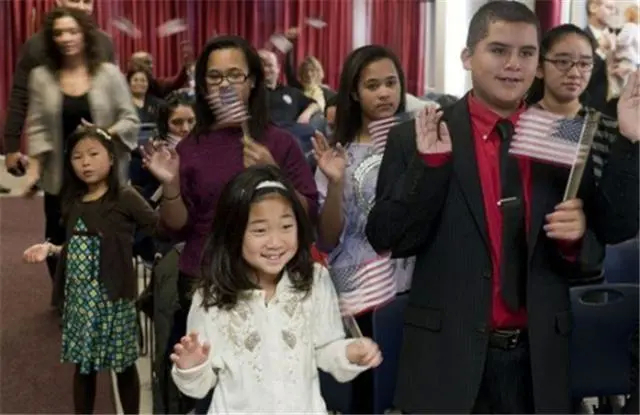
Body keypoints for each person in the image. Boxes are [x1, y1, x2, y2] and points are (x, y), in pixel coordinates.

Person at [366, 1, 639, 413]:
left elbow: (611, 234)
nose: (514, 64)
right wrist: (431, 167)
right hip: (447, 359)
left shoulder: (560, 135)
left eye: (526, 53)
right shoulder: (420, 135)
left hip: (539, 361)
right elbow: (387, 237)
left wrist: (577, 236)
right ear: (467, 56)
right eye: (498, 50)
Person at [141, 35, 317, 414]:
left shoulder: (280, 142)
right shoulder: (191, 146)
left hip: (269, 287)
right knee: (204, 392)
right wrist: (170, 184)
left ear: (252, 81)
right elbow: (177, 227)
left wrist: (272, 171)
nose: (225, 85)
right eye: (214, 77)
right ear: (203, 87)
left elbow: (308, 216)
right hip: (204, 282)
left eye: (235, 75)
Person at [169, 165, 382, 413]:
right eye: (260, 230)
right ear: (234, 233)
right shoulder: (212, 297)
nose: (275, 242)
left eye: (286, 226)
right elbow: (200, 386)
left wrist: (349, 352)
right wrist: (191, 367)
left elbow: (326, 348)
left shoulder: (314, 280)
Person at [22, 127, 159, 414]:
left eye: (93, 154)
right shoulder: (72, 200)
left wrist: (132, 247)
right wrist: (52, 249)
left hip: (114, 298)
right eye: (77, 157)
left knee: (123, 366)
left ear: (111, 158)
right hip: (80, 301)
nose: (85, 162)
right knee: (83, 368)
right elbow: (78, 245)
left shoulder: (125, 197)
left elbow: (158, 228)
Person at [312, 44, 412, 413]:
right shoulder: (337, 153)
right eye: (372, 85)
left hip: (413, 284)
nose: (384, 93)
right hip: (359, 288)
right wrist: (336, 181)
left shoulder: (420, 142)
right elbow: (327, 239)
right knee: (366, 396)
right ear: (354, 92)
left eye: (391, 83)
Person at [20, 6, 139, 285]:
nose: (66, 38)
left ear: (85, 35)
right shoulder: (41, 77)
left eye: (72, 31)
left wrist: (103, 133)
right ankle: (64, 296)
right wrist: (34, 171)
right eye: (59, 33)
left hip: (102, 177)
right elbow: (37, 126)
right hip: (60, 177)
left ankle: (103, 294)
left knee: (103, 237)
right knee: (57, 239)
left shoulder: (109, 75)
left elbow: (130, 119)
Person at [3, 0, 115, 176]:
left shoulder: (104, 43)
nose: (81, 7)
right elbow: (20, 97)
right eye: (74, 0)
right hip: (53, 149)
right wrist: (12, 147)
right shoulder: (36, 46)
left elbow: (113, 97)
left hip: (98, 145)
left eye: (87, 1)